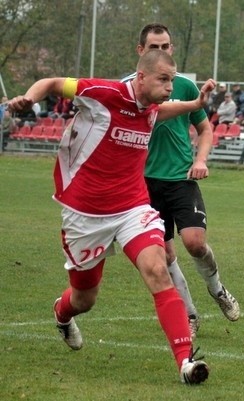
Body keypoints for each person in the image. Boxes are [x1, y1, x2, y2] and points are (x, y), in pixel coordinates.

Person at [7, 50, 215, 384]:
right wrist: (29, 99)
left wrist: (194, 106)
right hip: (84, 214)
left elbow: (162, 110)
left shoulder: (150, 108)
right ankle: (62, 314)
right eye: (164, 79)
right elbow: (52, 82)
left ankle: (186, 362)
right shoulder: (103, 93)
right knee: (84, 299)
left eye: (172, 80)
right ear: (141, 76)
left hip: (132, 207)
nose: (169, 86)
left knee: (157, 268)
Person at [123, 23, 240, 339]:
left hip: (180, 178)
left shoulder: (185, 87)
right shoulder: (128, 90)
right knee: (165, 255)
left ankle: (217, 289)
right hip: (143, 183)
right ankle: (189, 314)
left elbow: (205, 129)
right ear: (140, 51)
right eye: (154, 47)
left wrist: (201, 159)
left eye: (167, 46)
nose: (162, 52)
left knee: (195, 243)